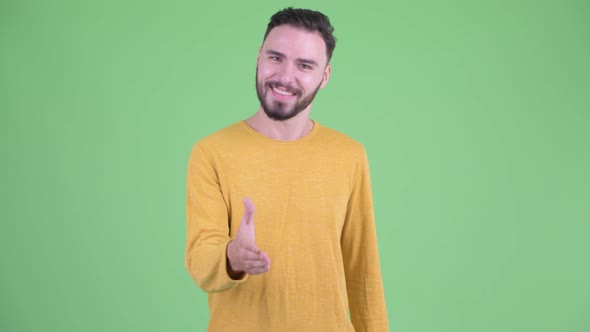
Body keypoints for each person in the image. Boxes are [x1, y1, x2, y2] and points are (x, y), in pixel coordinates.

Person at [185, 7, 389, 331]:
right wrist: (233, 256)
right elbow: (199, 257)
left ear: (324, 77)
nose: (284, 76)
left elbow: (363, 270)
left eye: (304, 65)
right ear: (258, 58)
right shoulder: (212, 152)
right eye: (276, 58)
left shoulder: (349, 155)